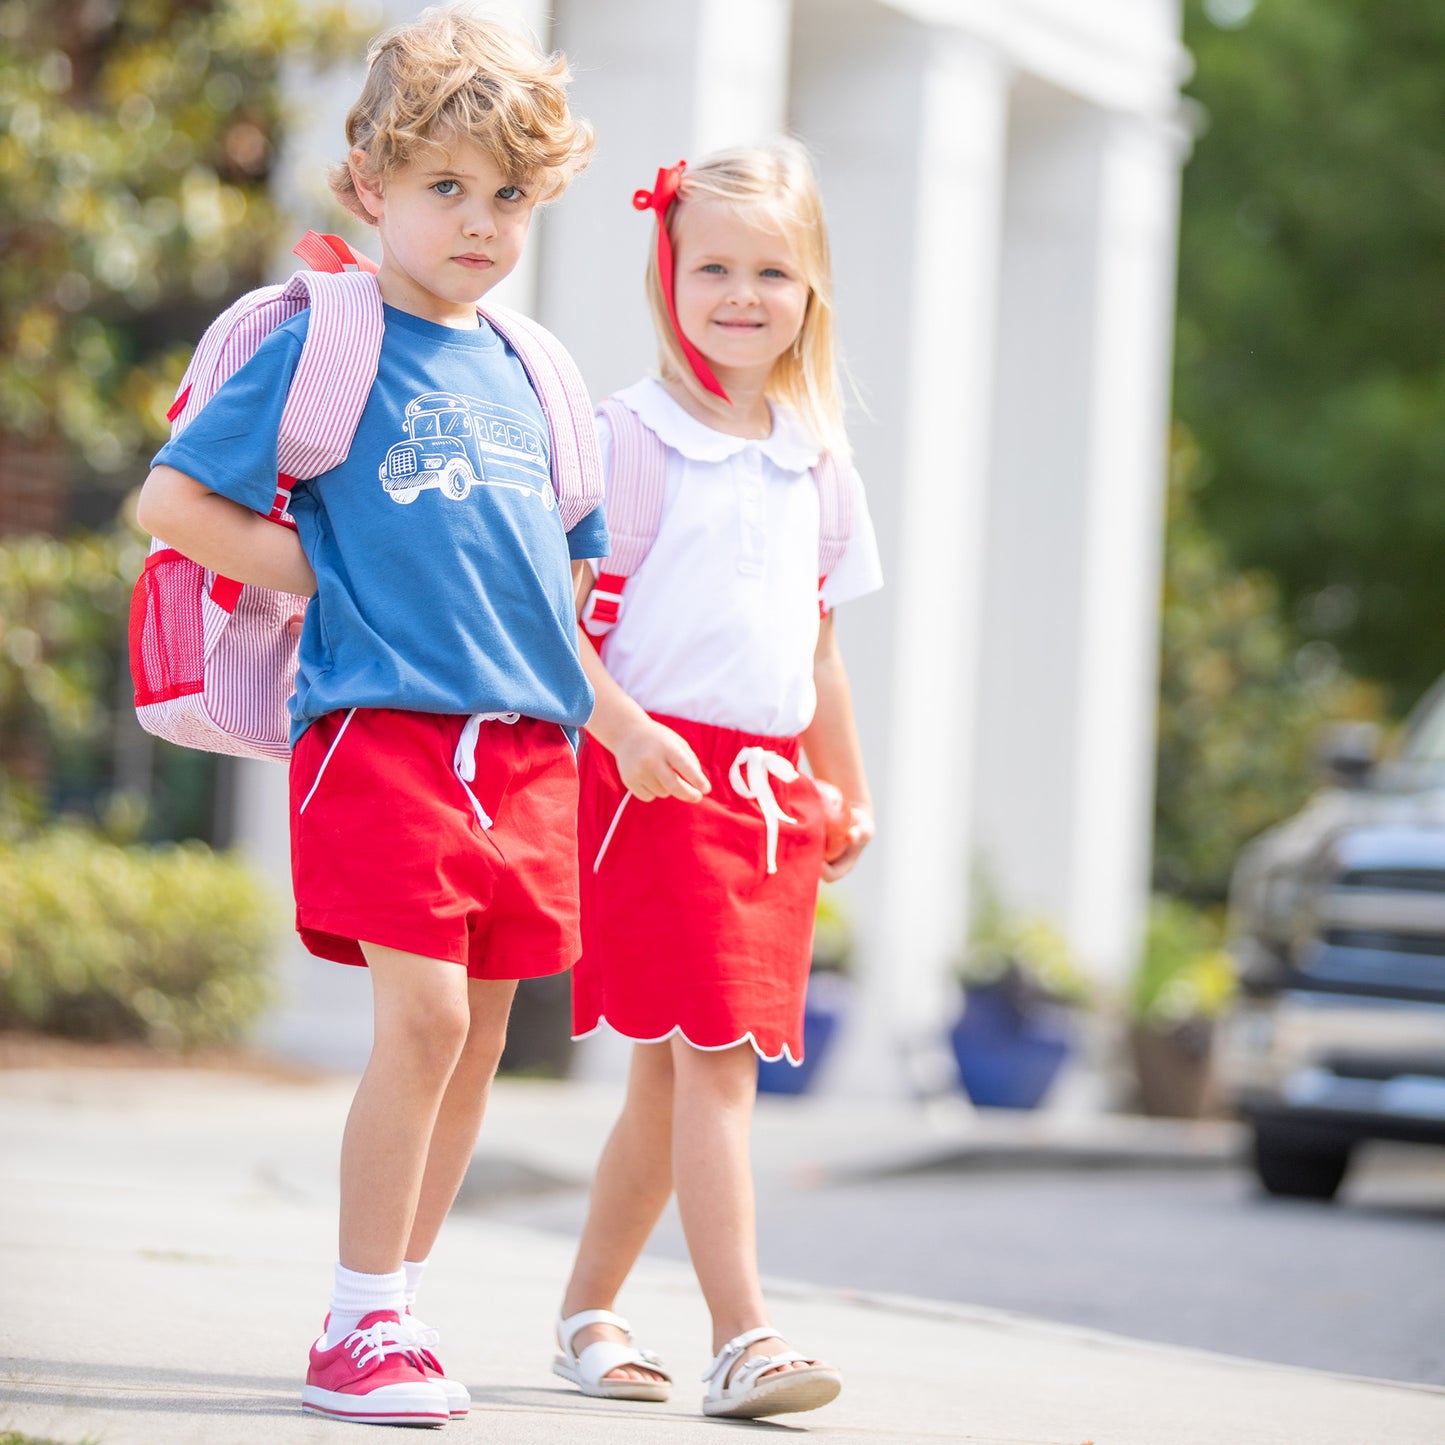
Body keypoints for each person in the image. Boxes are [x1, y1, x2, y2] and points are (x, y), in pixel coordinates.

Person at [135, 7, 601, 1428]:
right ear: (370, 190)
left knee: (476, 1040)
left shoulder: (532, 372)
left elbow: (557, 572)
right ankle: (357, 1322)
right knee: (425, 1018)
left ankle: (395, 1296)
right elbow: (171, 502)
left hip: (524, 749)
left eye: (507, 195)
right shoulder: (326, 339)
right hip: (383, 734)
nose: (478, 221)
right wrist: (327, 581)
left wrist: (613, 724)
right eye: (446, 187)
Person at [555, 140, 882, 1421]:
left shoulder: (815, 462)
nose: (740, 295)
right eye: (713, 268)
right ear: (667, 272)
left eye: (771, 272)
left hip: (767, 798)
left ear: (809, 292)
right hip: (654, 778)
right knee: (720, 1061)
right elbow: (551, 621)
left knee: (670, 1070)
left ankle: (587, 1309)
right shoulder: (624, 440)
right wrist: (624, 731)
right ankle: (742, 1333)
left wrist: (845, 782)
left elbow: (818, 639)